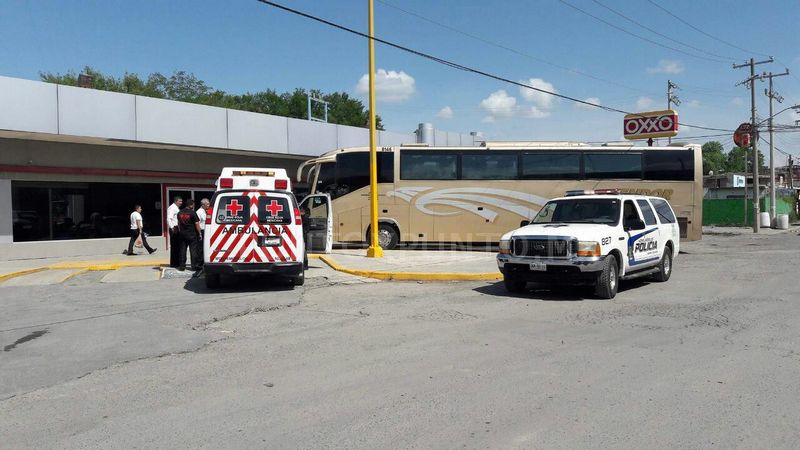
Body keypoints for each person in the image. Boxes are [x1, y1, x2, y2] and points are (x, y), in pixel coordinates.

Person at [177, 199, 202, 271]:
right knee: (193, 251)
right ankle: (194, 266)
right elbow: (197, 224)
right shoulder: (193, 213)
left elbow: (178, 223)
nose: (193, 206)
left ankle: (182, 266)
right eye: (193, 205)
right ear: (191, 205)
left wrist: (180, 231)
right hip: (192, 234)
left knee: (182, 250)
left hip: (182, 234)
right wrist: (200, 233)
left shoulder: (180, 212)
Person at [167, 196, 183, 267]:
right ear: (176, 201)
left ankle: (177, 262)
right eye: (179, 201)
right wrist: (172, 227)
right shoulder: (172, 208)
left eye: (181, 201)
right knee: (174, 246)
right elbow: (169, 218)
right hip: (174, 228)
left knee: (177, 246)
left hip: (177, 227)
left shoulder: (176, 208)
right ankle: (174, 263)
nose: (181, 203)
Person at [195, 198, 210, 268]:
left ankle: (203, 261)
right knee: (200, 248)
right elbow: (197, 223)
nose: (209, 205)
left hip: (206, 231)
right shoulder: (199, 212)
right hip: (201, 231)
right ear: (203, 204)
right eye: (207, 204)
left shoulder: (206, 211)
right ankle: (199, 264)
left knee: (205, 247)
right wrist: (199, 233)